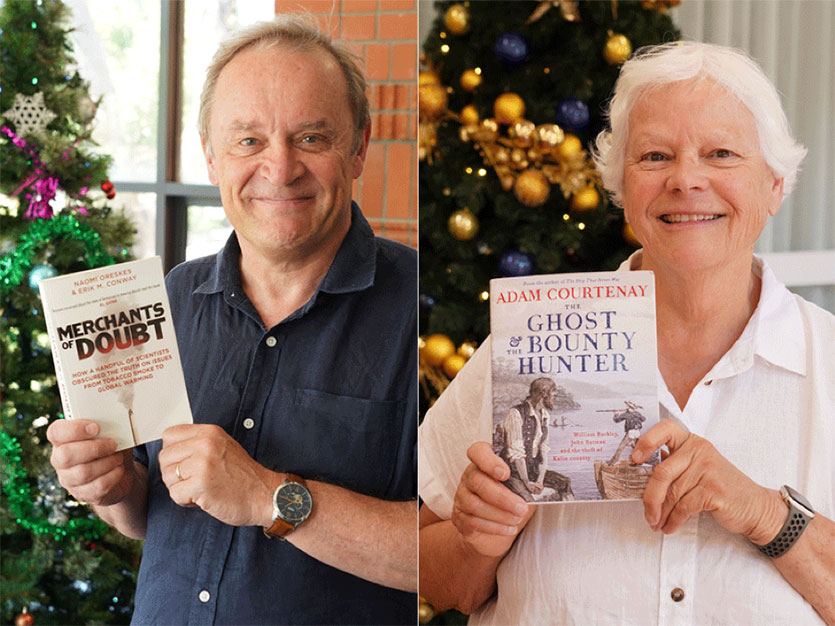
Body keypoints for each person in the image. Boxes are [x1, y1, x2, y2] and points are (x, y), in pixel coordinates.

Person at [418, 41, 835, 624]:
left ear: (774, 184)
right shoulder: (528, 349)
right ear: (622, 191)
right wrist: (473, 542)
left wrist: (767, 514)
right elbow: (433, 575)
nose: (687, 180)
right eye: (656, 156)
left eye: (721, 153)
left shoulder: (829, 366)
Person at [46, 16, 417, 625]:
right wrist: (110, 489)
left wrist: (272, 497)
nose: (280, 168)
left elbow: (444, 545)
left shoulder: (413, 309)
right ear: (212, 159)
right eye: (248, 141)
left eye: (311, 138)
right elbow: (145, 514)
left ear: (359, 149)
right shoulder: (172, 296)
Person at [495, 377, 572, 502]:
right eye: (553, 391)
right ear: (543, 393)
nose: (555, 395)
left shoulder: (545, 415)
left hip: (533, 471)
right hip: (513, 473)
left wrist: (539, 481)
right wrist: (526, 482)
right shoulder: (516, 413)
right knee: (527, 500)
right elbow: (517, 455)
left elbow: (543, 453)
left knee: (564, 483)